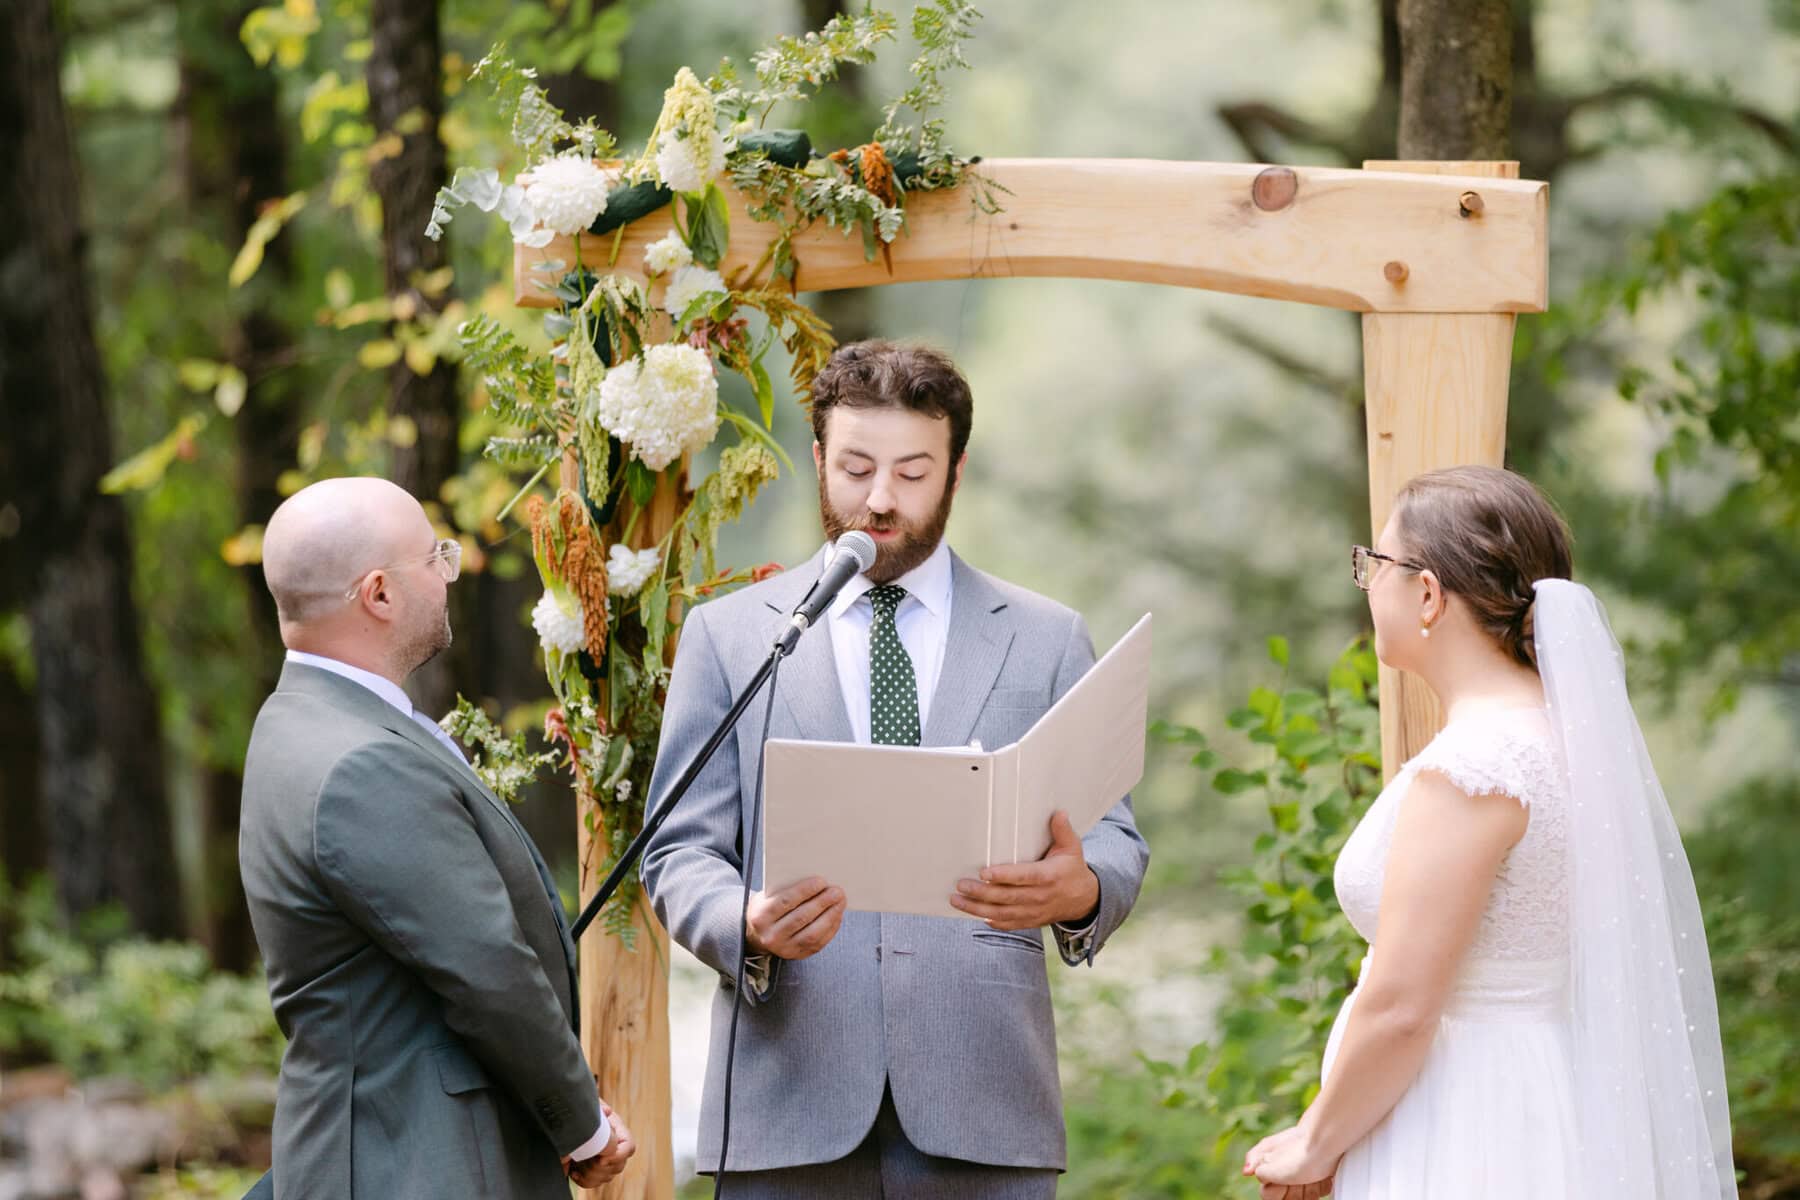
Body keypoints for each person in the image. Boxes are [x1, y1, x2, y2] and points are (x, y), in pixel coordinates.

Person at [642, 340, 1149, 1197]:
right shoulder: (728, 636)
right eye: (855, 468)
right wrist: (745, 919)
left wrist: (1081, 890)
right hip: (784, 1104)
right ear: (817, 461)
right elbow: (675, 853)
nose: (879, 501)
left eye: (913, 473)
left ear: (955, 473)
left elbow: (1115, 840)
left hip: (986, 1104)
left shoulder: (1046, 636)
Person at [1245, 465, 1736, 1200]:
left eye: (1375, 563)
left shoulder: (1476, 767)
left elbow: (1403, 1005)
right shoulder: (1567, 745)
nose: (1367, 582)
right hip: (1539, 1091)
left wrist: (1317, 1141)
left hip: (1465, 1114)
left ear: (1429, 593)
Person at [238, 477, 635, 1199]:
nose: (448, 574)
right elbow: (488, 971)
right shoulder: (365, 764)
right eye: (435, 558)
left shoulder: (296, 721)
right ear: (380, 594)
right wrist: (582, 1127)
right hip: (419, 1161)